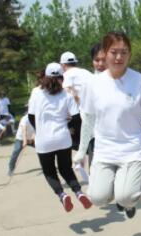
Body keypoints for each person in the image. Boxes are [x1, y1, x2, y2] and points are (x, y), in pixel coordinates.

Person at [74, 31, 141, 219]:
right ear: (105, 53)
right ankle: (128, 183)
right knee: (97, 198)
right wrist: (82, 151)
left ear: (130, 54)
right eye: (114, 52)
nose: (119, 57)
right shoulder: (94, 84)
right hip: (105, 151)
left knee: (125, 198)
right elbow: (89, 119)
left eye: (124, 52)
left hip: (132, 149)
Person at [27, 62, 92, 212]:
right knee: (66, 169)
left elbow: (31, 116)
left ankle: (62, 195)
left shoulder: (36, 92)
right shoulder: (67, 95)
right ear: (61, 77)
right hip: (63, 138)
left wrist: (40, 130)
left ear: (45, 77)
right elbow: (76, 118)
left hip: (43, 141)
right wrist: (69, 129)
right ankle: (78, 192)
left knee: (49, 171)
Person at [60, 51, 93, 152]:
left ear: (63, 65)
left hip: (79, 113)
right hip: (95, 110)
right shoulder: (86, 72)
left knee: (76, 144)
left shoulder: (65, 75)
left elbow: (66, 92)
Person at [7, 111, 35, 176]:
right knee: (16, 151)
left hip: (30, 138)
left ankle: (48, 166)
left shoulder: (36, 118)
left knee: (42, 149)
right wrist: (25, 141)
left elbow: (36, 129)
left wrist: (32, 138)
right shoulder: (25, 119)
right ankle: (11, 169)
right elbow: (24, 130)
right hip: (21, 138)